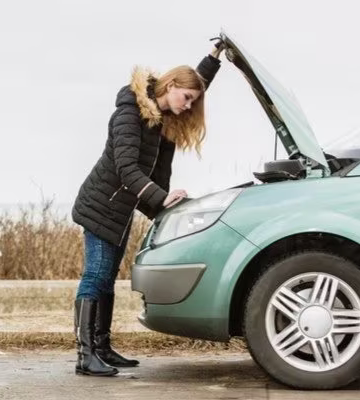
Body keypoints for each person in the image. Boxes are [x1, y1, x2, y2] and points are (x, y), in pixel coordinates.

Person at [70, 41, 226, 376]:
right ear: (170, 87)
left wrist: (213, 60)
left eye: (193, 102)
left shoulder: (164, 112)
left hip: (122, 207)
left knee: (107, 278)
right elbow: (127, 169)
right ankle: (85, 356)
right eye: (186, 99)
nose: (188, 107)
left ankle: (102, 347)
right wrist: (160, 197)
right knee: (95, 276)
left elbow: (195, 82)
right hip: (101, 205)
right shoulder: (129, 114)